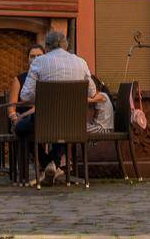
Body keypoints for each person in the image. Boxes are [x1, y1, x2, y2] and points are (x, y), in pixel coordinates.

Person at [17, 30, 92, 186]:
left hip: (45, 120)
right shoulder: (81, 62)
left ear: (47, 46)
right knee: (63, 128)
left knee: (20, 128)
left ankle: (47, 163)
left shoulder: (39, 62)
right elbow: (92, 92)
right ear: (66, 44)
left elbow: (25, 96)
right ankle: (54, 164)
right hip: (73, 122)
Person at [6, 42, 45, 128]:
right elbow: (11, 106)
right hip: (24, 120)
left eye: (39, 56)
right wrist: (15, 120)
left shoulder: (47, 78)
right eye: (32, 56)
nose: (36, 59)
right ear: (27, 60)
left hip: (44, 120)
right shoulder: (18, 79)